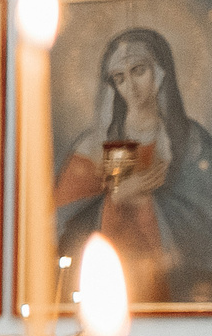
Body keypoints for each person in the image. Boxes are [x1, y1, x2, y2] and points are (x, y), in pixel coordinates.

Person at [56, 26, 212, 305]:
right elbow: (60, 220)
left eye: (139, 70)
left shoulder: (191, 140)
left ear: (161, 72)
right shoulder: (101, 142)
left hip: (176, 284)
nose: (131, 85)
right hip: (111, 277)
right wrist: (118, 197)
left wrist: (143, 200)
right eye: (120, 78)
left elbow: (202, 215)